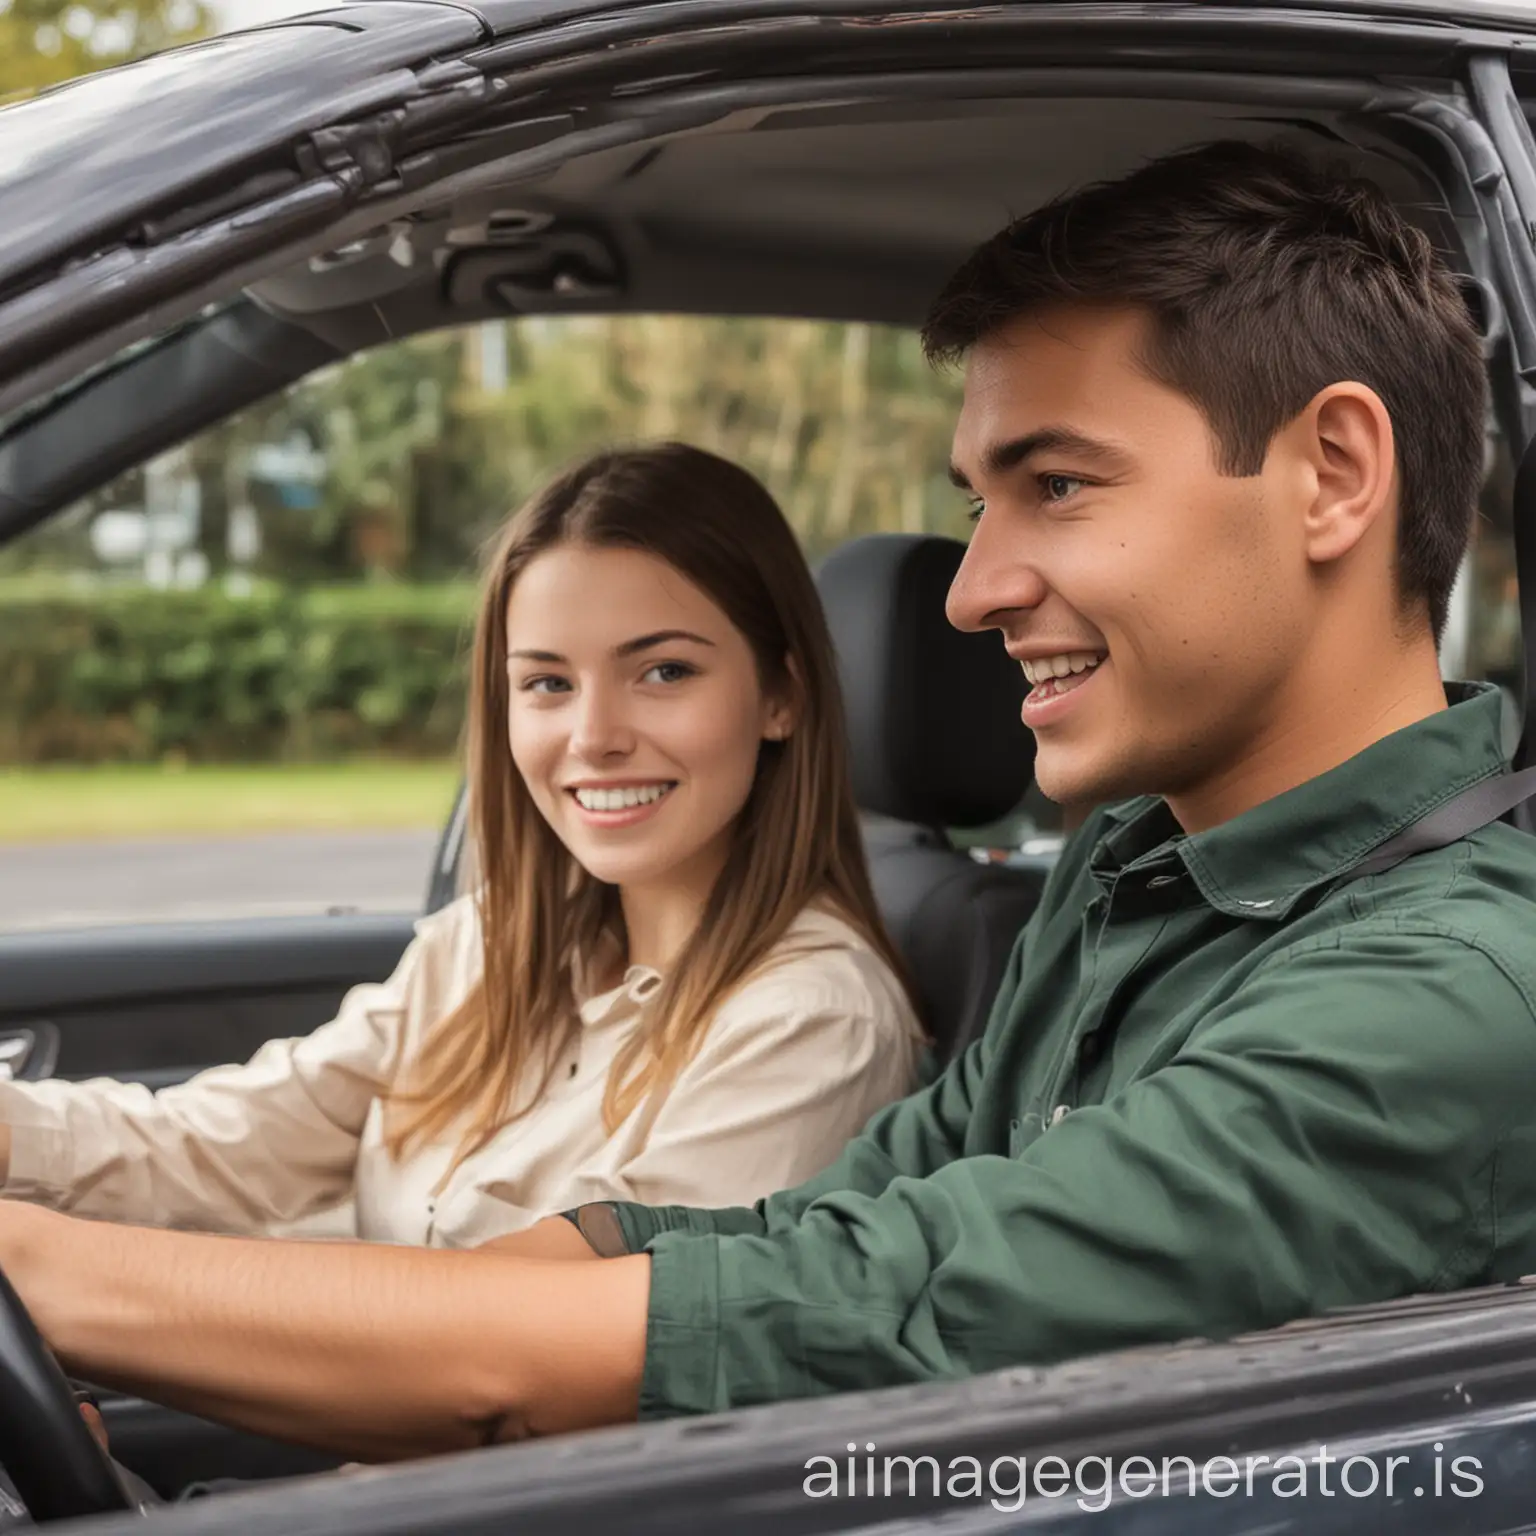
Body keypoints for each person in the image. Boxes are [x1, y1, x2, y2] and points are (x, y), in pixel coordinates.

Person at [6, 137, 1536, 1466]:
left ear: (1333, 473)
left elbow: (874, 1298)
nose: (976, 589)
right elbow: (826, 1220)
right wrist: (467, 1290)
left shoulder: (1448, 998)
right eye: (978, 504)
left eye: (1058, 485)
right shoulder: (1132, 866)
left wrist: (51, 1279)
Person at [0, 443, 925, 1252]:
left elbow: (544, 1357)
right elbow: (221, 1145)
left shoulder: (813, 1021)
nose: (593, 736)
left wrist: (96, 1295)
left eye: (664, 671)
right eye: (548, 683)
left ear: (781, 697)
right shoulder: (488, 945)